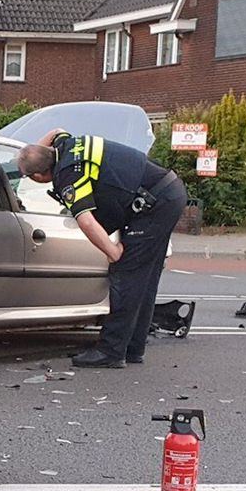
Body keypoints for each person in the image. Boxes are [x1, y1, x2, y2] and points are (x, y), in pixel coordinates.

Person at [16, 129, 186, 368]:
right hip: (166, 192)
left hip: (154, 203)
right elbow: (55, 132)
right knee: (143, 279)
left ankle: (111, 352)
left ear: (40, 176)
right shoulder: (65, 145)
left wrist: (112, 252)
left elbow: (86, 220)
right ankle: (132, 348)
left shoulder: (68, 177)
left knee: (126, 275)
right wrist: (30, 153)